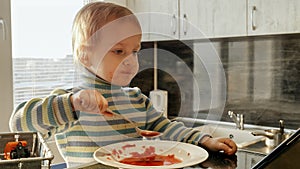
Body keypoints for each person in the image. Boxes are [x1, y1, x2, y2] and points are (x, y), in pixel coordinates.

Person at [9, 2, 237, 167]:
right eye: (119, 51)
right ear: (86, 56)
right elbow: (19, 125)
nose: (131, 61)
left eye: (135, 51)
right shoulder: (72, 102)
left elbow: (167, 129)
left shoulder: (137, 99)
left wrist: (205, 140)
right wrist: (72, 104)